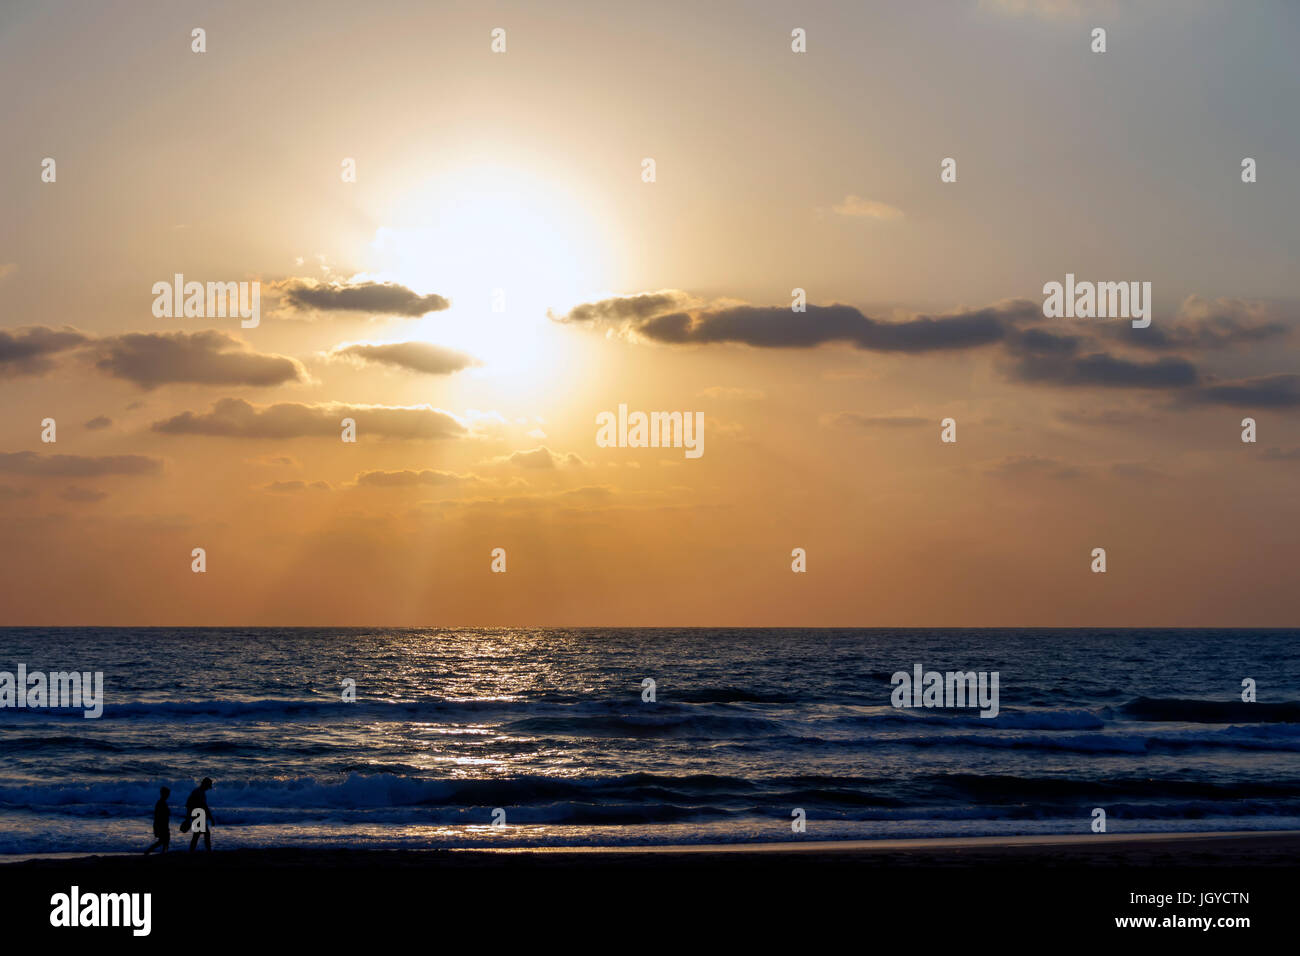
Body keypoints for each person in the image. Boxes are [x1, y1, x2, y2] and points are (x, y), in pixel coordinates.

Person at [183, 777, 216, 852]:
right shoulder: (197, 792)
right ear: (205, 784)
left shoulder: (200, 792)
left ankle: (193, 851)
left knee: (199, 835)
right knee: (202, 834)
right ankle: (207, 851)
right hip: (197, 816)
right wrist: (188, 819)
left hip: (199, 816)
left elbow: (203, 806)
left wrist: (188, 818)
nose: (208, 788)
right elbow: (190, 805)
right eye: (208, 786)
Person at [144, 786, 170, 854]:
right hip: (162, 825)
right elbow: (158, 816)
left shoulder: (162, 802)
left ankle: (164, 852)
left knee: (165, 840)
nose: (168, 795)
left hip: (163, 824)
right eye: (167, 794)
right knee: (163, 840)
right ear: (164, 794)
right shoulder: (161, 803)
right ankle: (148, 851)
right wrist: (157, 826)